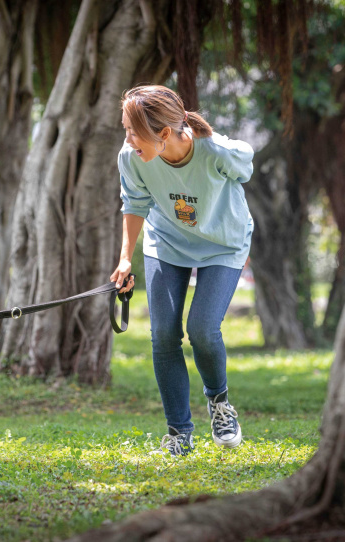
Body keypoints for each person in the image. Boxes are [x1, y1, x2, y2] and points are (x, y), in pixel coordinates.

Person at [110, 85, 254, 456]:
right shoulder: (131, 157)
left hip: (223, 244)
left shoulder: (214, 151)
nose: (128, 139)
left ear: (163, 133)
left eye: (133, 130)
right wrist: (126, 258)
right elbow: (134, 203)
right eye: (125, 128)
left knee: (203, 329)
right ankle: (178, 432)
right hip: (168, 244)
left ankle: (220, 404)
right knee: (163, 335)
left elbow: (245, 163)